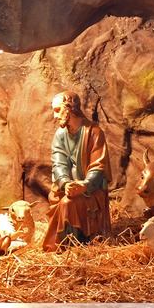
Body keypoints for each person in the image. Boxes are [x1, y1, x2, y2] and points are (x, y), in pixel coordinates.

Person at [42, 91, 113, 251]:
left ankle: (77, 245)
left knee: (68, 204)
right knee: (62, 199)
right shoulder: (60, 134)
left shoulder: (94, 133)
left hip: (91, 191)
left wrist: (84, 185)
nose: (55, 116)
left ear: (69, 108)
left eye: (57, 110)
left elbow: (98, 165)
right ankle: (69, 246)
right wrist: (65, 183)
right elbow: (58, 163)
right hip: (67, 188)